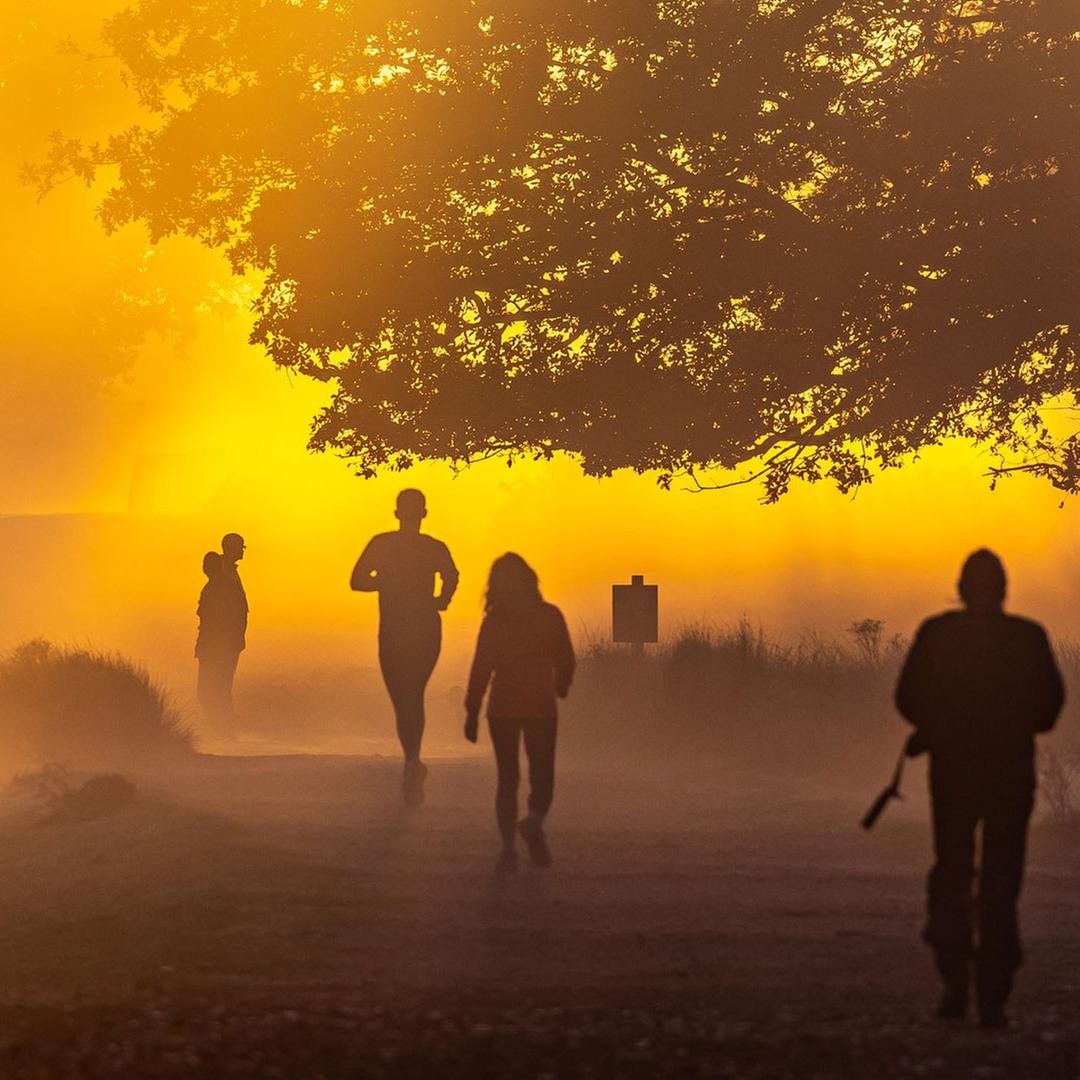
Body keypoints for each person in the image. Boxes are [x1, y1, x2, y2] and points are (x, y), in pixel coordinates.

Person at [895, 549, 1064, 1027]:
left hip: (952, 773)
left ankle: (955, 981)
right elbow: (1049, 709)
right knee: (1001, 880)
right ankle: (993, 994)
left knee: (952, 870)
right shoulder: (1028, 638)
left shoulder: (937, 635)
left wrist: (940, 728)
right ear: (1004, 588)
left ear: (962, 588)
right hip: (1010, 775)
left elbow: (908, 697)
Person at [464, 553, 576, 872]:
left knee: (507, 778)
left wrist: (472, 711)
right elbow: (565, 656)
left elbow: (480, 669)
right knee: (542, 776)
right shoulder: (550, 616)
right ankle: (534, 821)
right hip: (541, 705)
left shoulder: (494, 622)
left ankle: (509, 850)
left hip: (502, 708)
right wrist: (562, 684)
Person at [351, 490, 459, 806]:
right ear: (424, 513)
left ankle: (411, 761)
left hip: (394, 631)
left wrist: (386, 582)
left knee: (404, 699)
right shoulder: (433, 548)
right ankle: (412, 761)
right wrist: (441, 600)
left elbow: (357, 581)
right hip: (426, 628)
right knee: (414, 695)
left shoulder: (381, 544)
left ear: (396, 513)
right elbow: (452, 576)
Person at [195, 538, 248, 733]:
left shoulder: (226, 581)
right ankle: (222, 729)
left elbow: (232, 615)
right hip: (219, 645)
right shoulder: (227, 579)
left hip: (219, 646)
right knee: (216, 688)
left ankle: (222, 729)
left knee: (214, 688)